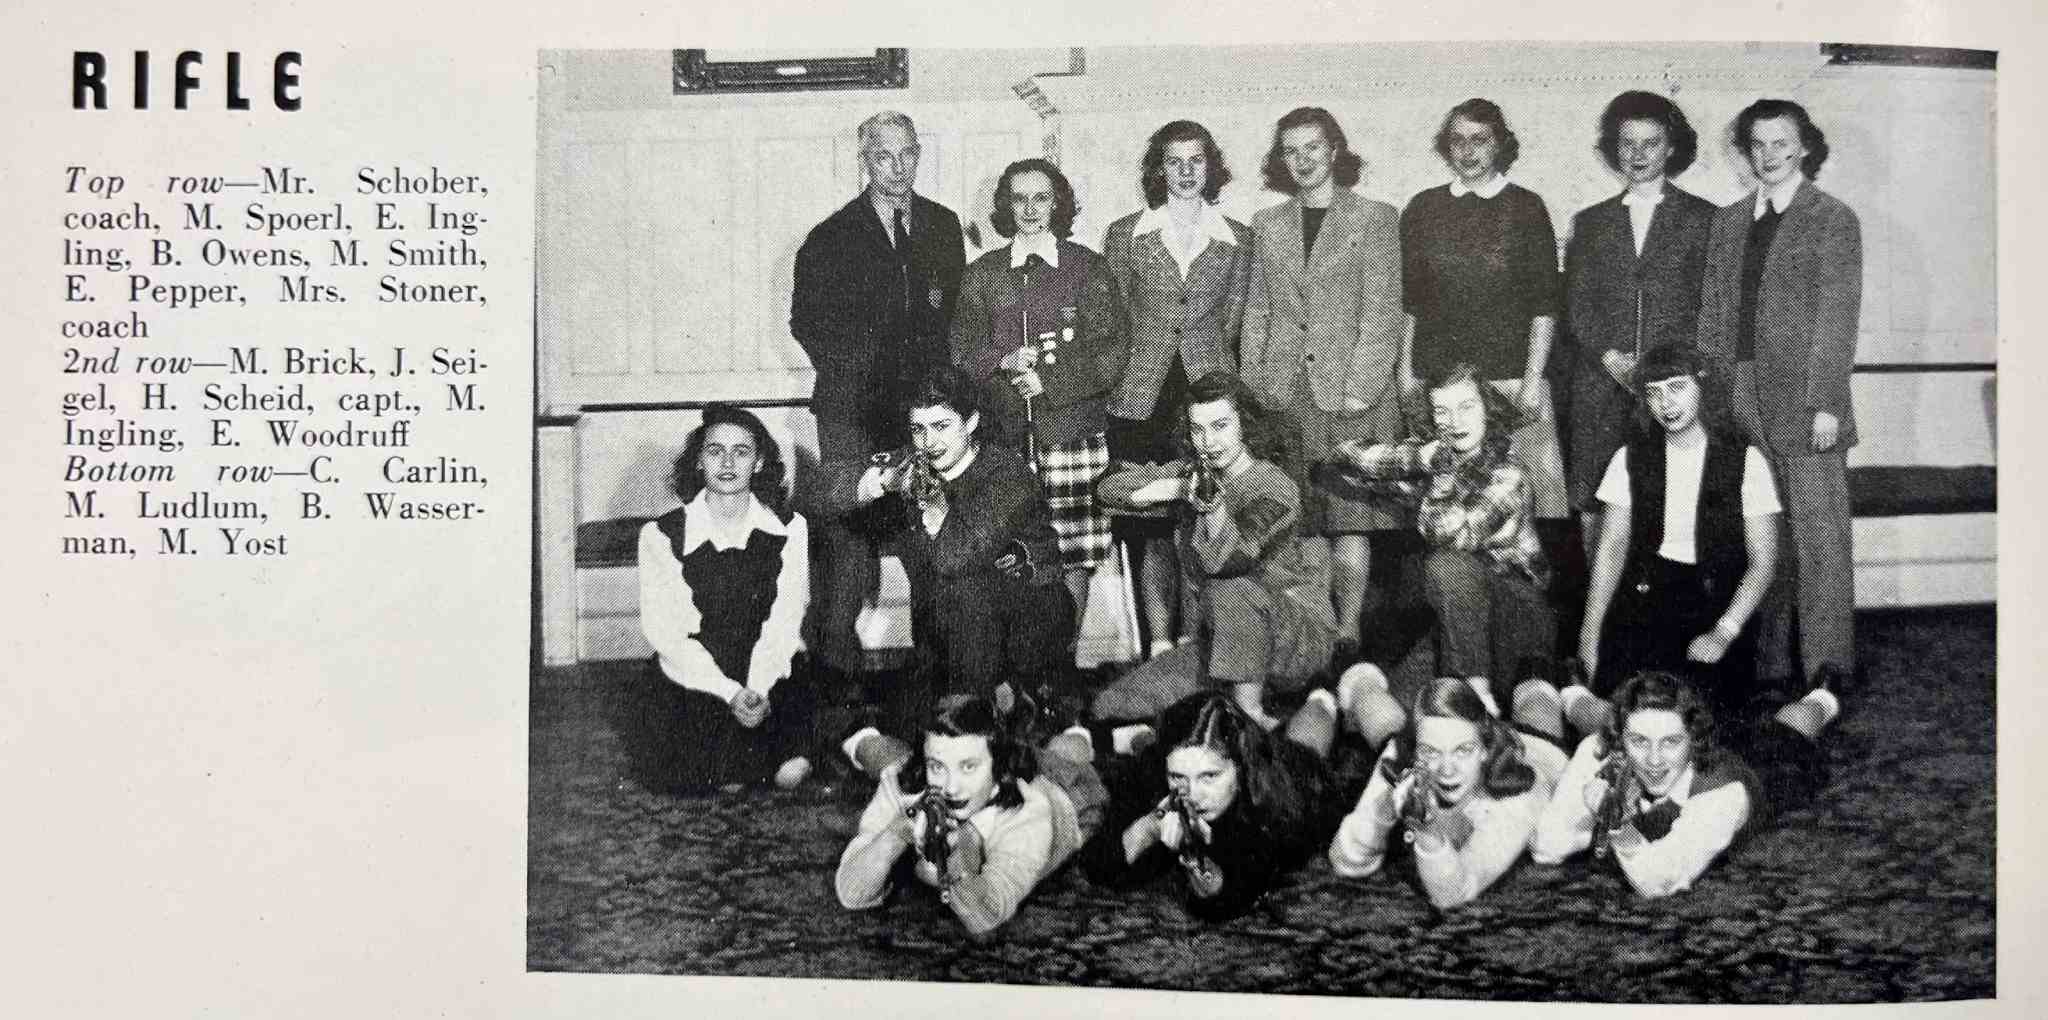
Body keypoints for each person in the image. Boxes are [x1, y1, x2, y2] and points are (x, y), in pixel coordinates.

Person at [791, 110, 968, 684]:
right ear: (864, 162)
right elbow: (807, 323)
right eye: (882, 157)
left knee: (929, 536)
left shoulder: (942, 227)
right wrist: (859, 376)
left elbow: (955, 317)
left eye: (906, 155)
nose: (896, 168)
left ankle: (937, 679)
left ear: (920, 155)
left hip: (919, 416)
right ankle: (835, 679)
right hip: (852, 414)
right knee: (849, 544)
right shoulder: (830, 236)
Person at [1695, 98, 1862, 685]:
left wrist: (1825, 403)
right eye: (1758, 144)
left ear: (1806, 147)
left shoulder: (1833, 218)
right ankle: (1767, 665)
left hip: (1805, 400)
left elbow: (1837, 318)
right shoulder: (1729, 220)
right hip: (1738, 392)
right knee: (1760, 533)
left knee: (1820, 541)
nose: (1768, 156)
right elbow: (1714, 317)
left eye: (1781, 143)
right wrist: (1711, 396)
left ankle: (1827, 672)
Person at [817, 365, 1075, 736]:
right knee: (904, 730)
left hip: (1030, 620)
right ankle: (986, 707)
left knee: (963, 727)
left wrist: (933, 505)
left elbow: (955, 557)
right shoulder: (914, 460)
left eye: (942, 427)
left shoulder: (1006, 474)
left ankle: (1009, 701)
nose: (929, 442)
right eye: (918, 430)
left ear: (971, 423)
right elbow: (822, 491)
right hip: (951, 632)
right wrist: (882, 481)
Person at [1240, 107, 1407, 664]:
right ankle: (1316, 623)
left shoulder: (1376, 218)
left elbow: (1383, 310)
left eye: (1313, 147)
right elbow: (1260, 310)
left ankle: (1350, 630)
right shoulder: (1268, 224)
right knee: (1303, 516)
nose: (1303, 159)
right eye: (1291, 150)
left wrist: (1362, 387)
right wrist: (1255, 387)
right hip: (1287, 393)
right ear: (1280, 160)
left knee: (1350, 517)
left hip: (1352, 390)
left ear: (1335, 150)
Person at [1092, 371, 1335, 732]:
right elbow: (1109, 488)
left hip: (1295, 641)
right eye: (1198, 429)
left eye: (1220, 426)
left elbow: (1227, 561)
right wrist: (1176, 489)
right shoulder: (1195, 476)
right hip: (1227, 640)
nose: (1209, 441)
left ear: (1246, 425)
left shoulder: (1273, 487)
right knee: (1111, 706)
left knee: (1230, 587)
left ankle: (1249, 717)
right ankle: (1232, 704)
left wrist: (1212, 508)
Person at [1102, 120, 1255, 657]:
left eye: (1197, 160)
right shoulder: (1125, 235)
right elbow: (1114, 319)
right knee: (1147, 531)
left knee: (1201, 525)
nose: (1187, 171)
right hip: (1139, 399)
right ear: (1158, 169)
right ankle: (1159, 649)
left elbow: (1235, 321)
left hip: (1206, 399)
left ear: (1211, 167)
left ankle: (1198, 646)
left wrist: (1222, 383)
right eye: (1174, 161)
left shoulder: (1238, 239)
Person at [951, 158, 1126, 627]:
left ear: (1059, 204)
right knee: (1009, 549)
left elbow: (1111, 352)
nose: (1030, 209)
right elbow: (961, 348)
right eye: (1019, 199)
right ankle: (1019, 668)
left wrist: (1049, 381)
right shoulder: (983, 273)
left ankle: (1061, 665)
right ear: (1006, 207)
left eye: (1041, 197)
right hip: (1003, 440)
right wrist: (1001, 362)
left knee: (1071, 554)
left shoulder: (1087, 268)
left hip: (1072, 436)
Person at [1325, 364, 1551, 707]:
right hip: (1460, 620)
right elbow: (1343, 460)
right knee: (1403, 704)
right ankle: (1467, 693)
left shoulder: (1510, 474)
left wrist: (1438, 479)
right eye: (1441, 411)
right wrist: (1418, 456)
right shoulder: (1437, 463)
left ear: (1488, 410)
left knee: (1446, 565)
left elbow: (1451, 536)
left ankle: (1475, 693)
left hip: (1516, 619)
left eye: (1466, 407)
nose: (1455, 421)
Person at [1579, 344, 1781, 718]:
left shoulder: (1744, 460)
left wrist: (1724, 631)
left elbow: (1763, 562)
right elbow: (1611, 547)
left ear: (1703, 387)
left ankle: (1818, 699)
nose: (1665, 403)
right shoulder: (1630, 458)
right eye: (1653, 393)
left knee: (1700, 720)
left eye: (1676, 387)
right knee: (1625, 708)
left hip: (1718, 602)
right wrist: (1591, 633)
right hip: (1648, 596)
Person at [624, 405, 814, 793]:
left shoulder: (790, 528)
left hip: (767, 661)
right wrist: (730, 693)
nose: (727, 463)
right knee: (713, 774)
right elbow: (667, 633)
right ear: (698, 461)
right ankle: (738, 758)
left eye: (741, 452)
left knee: (790, 769)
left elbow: (786, 619)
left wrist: (757, 687)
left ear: (759, 462)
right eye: (715, 451)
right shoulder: (660, 535)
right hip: (697, 671)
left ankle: (773, 753)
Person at [1530, 668, 1843, 898]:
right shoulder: (1611, 745)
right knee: (1599, 715)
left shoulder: (1723, 794)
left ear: (1692, 741)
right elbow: (1548, 847)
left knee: (1794, 722)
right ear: (1620, 740)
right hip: (1668, 734)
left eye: (1670, 743)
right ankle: (1574, 691)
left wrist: (1615, 822)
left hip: (1764, 765)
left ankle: (1825, 694)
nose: (1654, 760)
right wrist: (1590, 761)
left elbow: (1658, 881)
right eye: (1639, 741)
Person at [1401, 98, 1568, 521]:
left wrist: (1532, 380)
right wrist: (1406, 370)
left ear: (1500, 145)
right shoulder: (1423, 208)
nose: (1468, 151)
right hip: (1440, 384)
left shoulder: (1526, 207)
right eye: (1457, 140)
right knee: (1448, 507)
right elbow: (1412, 301)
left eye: (1480, 139)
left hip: (1509, 379)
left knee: (1526, 503)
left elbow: (1545, 304)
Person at [1564, 91, 1717, 535]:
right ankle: (1600, 604)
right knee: (1595, 499)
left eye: (1650, 143)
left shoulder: (1704, 218)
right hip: (1601, 382)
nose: (1637, 154)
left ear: (1671, 147)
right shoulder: (1590, 222)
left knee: (1670, 498)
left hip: (1672, 388)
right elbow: (1578, 303)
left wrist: (1666, 368)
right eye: (1627, 143)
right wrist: (1609, 357)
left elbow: (1711, 306)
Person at [835, 695, 1106, 936]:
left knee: (1067, 749)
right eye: (936, 767)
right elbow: (851, 894)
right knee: (884, 754)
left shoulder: (1029, 809)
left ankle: (1081, 726)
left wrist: (960, 853)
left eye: (968, 768)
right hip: (977, 752)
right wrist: (896, 833)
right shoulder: (909, 780)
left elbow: (986, 915)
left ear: (998, 770)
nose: (951, 788)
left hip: (1067, 792)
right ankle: (859, 735)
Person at [1080, 690, 1346, 921]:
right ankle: (1140, 737)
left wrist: (1193, 857)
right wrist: (1148, 828)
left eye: (1209, 776)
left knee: (1305, 745)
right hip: (1164, 755)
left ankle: (1322, 695)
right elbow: (1097, 863)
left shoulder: (1268, 806)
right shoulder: (1156, 776)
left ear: (1240, 768)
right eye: (1177, 777)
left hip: (1298, 775)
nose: (1193, 794)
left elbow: (1226, 901)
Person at [1328, 675, 1568, 909]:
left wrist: (1427, 830)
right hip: (1459, 733)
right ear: (1415, 751)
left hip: (1538, 748)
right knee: (1383, 721)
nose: (1447, 769)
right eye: (1430, 752)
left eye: (1463, 751)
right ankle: (1358, 678)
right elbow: (1345, 861)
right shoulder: (1405, 758)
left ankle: (1539, 678)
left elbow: (1454, 894)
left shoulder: (1518, 795)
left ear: (1484, 750)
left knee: (1536, 697)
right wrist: (1383, 809)